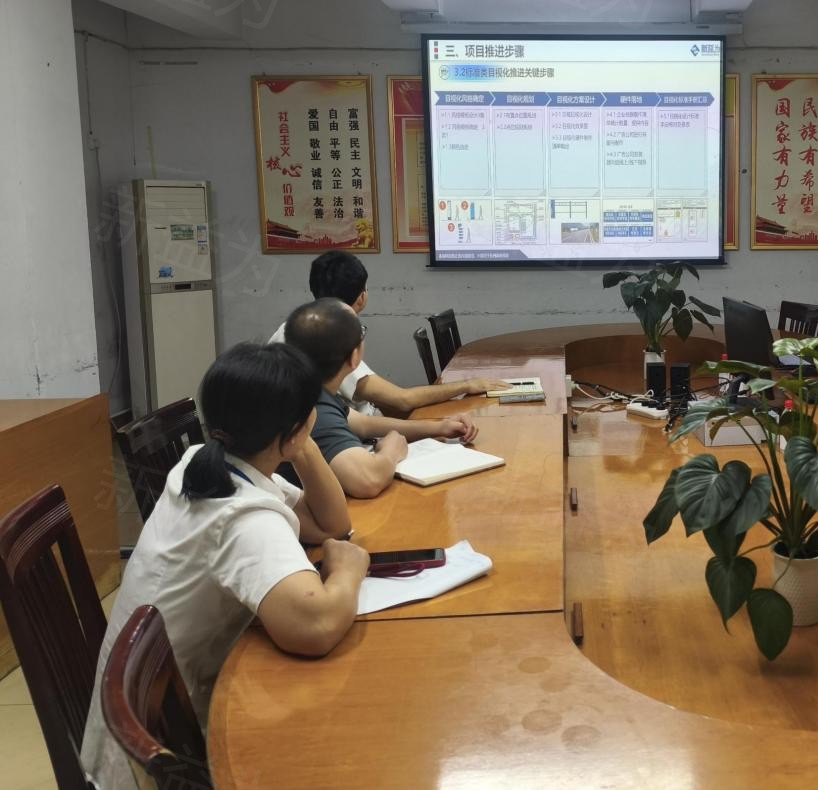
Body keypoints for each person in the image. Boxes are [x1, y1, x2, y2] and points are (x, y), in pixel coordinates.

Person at [80, 343, 368, 789]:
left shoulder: (204, 463)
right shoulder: (242, 517)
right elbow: (315, 626)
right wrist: (349, 569)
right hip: (163, 762)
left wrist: (299, 442)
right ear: (290, 430)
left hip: (139, 729)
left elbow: (330, 523)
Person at [268, 250, 507, 416]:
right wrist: (467, 385)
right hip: (363, 442)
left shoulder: (294, 327)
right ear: (362, 297)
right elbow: (400, 400)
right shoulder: (330, 337)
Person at [284, 298, 479, 498]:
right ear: (354, 357)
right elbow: (368, 480)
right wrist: (391, 451)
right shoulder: (315, 409)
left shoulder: (302, 387)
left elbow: (364, 424)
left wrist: (439, 427)